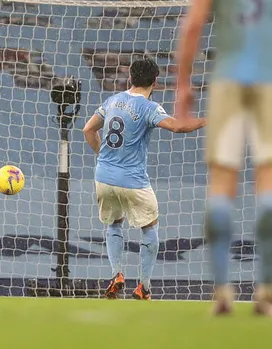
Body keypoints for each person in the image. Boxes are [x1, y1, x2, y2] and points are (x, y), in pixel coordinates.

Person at [175, 0, 272, 315]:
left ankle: (221, 294)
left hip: (227, 79)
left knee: (221, 181)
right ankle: (266, 292)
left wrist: (183, 85)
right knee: (267, 179)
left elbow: (192, 26)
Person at [83, 58, 205, 300]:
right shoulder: (149, 108)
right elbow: (178, 127)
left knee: (114, 224)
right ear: (156, 82)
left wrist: (104, 156)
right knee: (149, 227)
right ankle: (144, 286)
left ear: (130, 77)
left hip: (104, 177)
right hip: (133, 180)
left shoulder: (112, 100)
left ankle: (117, 274)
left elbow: (88, 130)